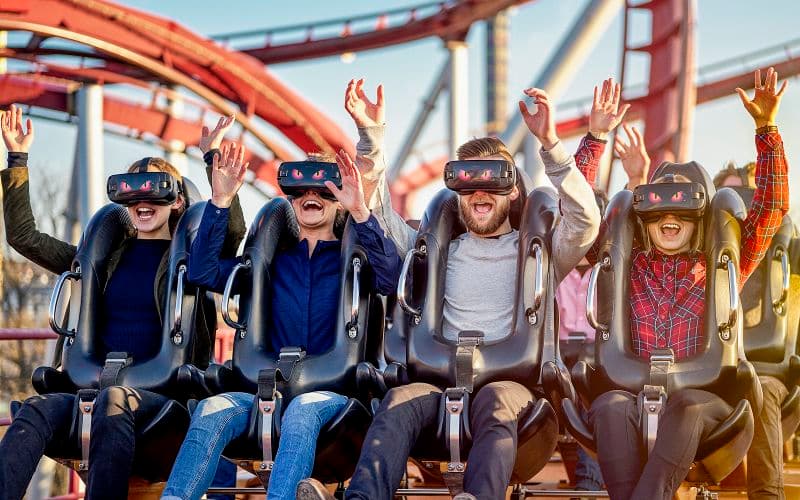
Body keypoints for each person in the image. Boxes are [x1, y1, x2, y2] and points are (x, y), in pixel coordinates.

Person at [295, 78, 621, 500]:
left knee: (498, 404)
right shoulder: (437, 248)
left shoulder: (538, 253)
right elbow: (374, 211)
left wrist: (552, 143)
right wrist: (369, 138)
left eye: (491, 185)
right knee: (397, 402)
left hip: (510, 382)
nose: (479, 195)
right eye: (468, 187)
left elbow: (584, 220)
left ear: (513, 190)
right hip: (439, 379)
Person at [0, 108, 245, 500]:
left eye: (156, 193)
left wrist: (215, 166)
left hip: (163, 394)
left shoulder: (195, 259)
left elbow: (229, 237)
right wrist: (18, 159)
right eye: (134, 193)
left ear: (177, 200)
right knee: (35, 410)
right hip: (96, 383)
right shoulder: (105, 252)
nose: (143, 202)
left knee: (113, 403)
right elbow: (25, 238)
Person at [578, 70, 789, 500]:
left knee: (687, 407)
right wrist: (596, 139)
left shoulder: (722, 263)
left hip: (703, 397)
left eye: (684, 209)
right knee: (610, 408)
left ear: (700, 217)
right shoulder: (627, 263)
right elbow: (577, 215)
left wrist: (766, 129)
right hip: (631, 391)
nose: (669, 219)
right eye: (657, 211)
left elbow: (771, 208)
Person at [160, 143, 401, 500]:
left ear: (336, 199)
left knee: (302, 410)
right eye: (299, 191)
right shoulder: (271, 261)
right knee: (211, 408)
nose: (310, 197)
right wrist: (221, 201)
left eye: (322, 190)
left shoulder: (354, 262)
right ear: (289, 199)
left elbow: (392, 278)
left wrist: (361, 212)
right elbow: (203, 272)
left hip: (332, 396)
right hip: (264, 393)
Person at [713, 159, 790, 499]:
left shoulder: (764, 255)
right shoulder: (705, 255)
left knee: (764, 388)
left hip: (760, 366)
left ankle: (766, 495)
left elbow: (774, 209)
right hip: (712, 368)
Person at [555, 187, 608, 493]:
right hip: (557, 358)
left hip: (595, 362)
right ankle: (581, 482)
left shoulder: (609, 270)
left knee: (592, 389)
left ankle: (586, 487)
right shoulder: (552, 266)